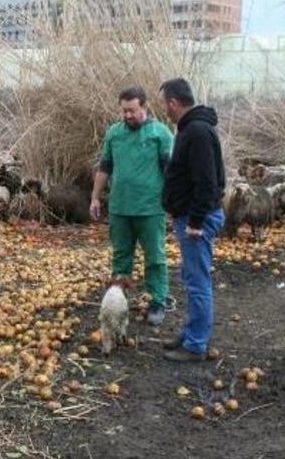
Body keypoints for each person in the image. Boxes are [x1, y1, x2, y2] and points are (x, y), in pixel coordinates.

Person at [90, 86, 174, 326]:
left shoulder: (160, 134)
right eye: (124, 110)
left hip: (150, 209)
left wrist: (173, 202)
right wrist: (95, 197)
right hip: (120, 208)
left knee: (155, 257)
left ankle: (158, 301)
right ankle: (119, 300)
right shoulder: (114, 133)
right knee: (120, 257)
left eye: (132, 110)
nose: (127, 115)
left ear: (144, 107)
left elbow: (171, 172)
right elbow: (105, 167)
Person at [157, 78, 226, 362]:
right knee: (191, 278)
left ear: (174, 102)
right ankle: (190, 333)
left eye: (165, 104)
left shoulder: (197, 132)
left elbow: (206, 182)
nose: (165, 110)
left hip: (197, 219)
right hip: (190, 216)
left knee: (198, 282)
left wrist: (196, 222)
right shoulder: (192, 129)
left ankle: (196, 345)